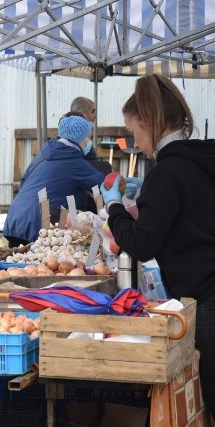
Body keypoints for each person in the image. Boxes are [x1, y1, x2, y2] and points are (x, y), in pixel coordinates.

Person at [100, 73, 215, 418]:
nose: (135, 142)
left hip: (208, 303)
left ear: (149, 123)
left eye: (134, 131)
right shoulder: (201, 160)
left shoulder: (167, 173)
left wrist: (114, 208)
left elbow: (141, 243)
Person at [3, 115, 105, 247]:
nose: (89, 141)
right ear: (80, 138)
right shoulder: (71, 159)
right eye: (88, 137)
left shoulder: (45, 153)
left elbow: (24, 181)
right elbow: (103, 184)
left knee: (20, 265)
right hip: (38, 226)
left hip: (16, 219)